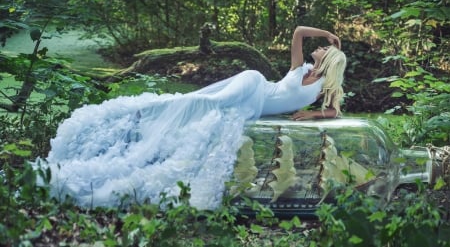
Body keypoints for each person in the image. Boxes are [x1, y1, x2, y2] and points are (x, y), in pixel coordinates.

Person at [36, 26, 346, 210]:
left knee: (206, 104)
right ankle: (152, 112)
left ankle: (159, 113)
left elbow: (334, 112)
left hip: (257, 105)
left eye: (322, 47)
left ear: (329, 60)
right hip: (255, 84)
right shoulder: (301, 69)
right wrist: (328, 33)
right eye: (319, 46)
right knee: (205, 101)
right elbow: (298, 32)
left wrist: (312, 113)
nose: (317, 47)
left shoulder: (322, 87)